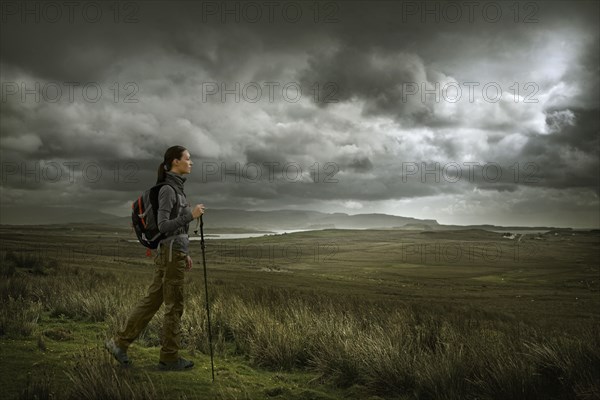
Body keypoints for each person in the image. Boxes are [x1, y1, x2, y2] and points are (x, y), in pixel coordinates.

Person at [105, 145, 205, 371]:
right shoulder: (169, 190)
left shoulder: (176, 189)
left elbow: (174, 230)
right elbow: (163, 226)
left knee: (152, 301)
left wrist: (185, 253)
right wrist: (192, 215)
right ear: (175, 162)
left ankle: (119, 344)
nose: (191, 163)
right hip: (170, 255)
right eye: (188, 159)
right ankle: (169, 357)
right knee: (174, 306)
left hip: (172, 253)